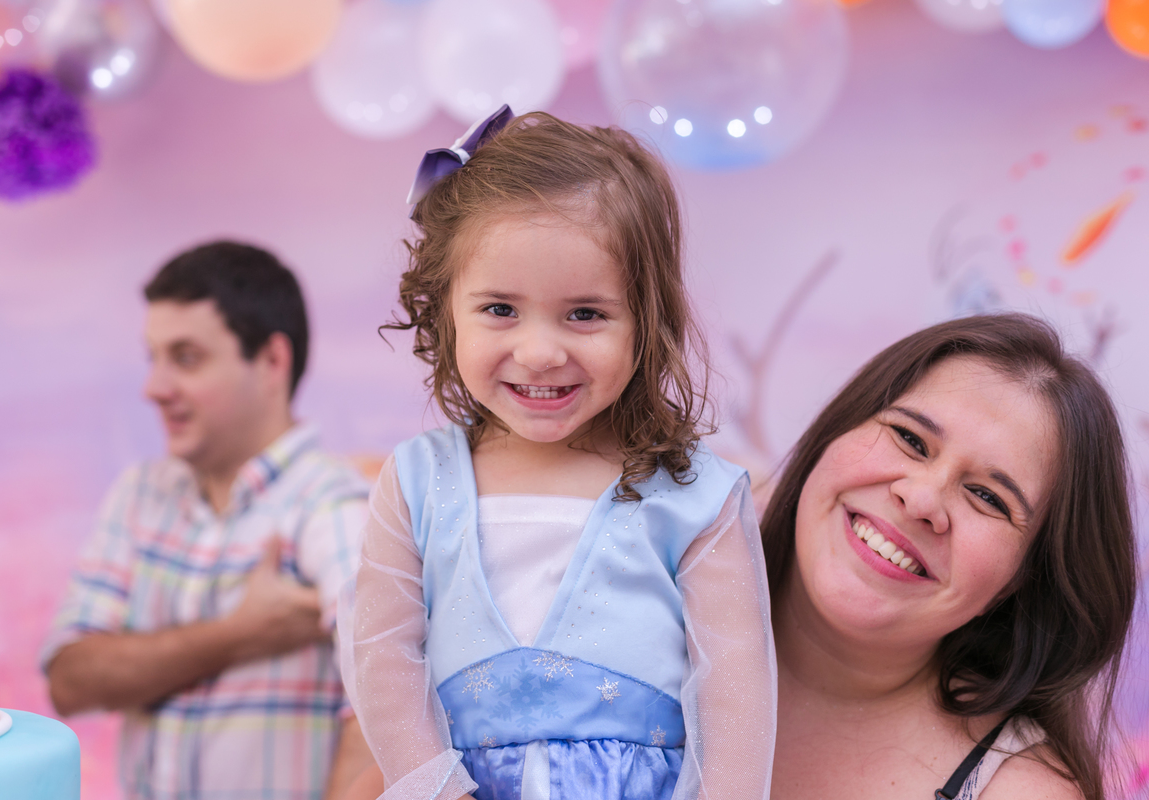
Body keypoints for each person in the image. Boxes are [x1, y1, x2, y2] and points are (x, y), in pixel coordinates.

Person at [340, 108, 777, 800]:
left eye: (585, 313)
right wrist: (435, 790)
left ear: (646, 321)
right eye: (500, 310)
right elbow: (381, 656)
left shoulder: (697, 495)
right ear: (446, 309)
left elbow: (736, 698)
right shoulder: (417, 481)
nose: (541, 352)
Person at [42, 241, 377, 800]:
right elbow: (69, 680)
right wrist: (239, 634)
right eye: (153, 357)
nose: (154, 387)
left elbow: (387, 690)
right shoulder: (141, 494)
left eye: (186, 357)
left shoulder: (333, 501)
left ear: (272, 361)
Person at [762, 313, 1136, 800]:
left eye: (987, 497)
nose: (921, 500)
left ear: (1018, 581)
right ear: (837, 430)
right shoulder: (673, 542)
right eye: (910, 439)